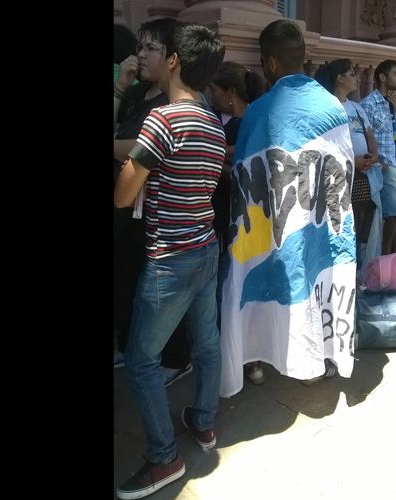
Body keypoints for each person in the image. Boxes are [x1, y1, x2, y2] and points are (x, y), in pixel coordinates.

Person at [114, 21, 226, 500]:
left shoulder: (162, 120)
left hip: (170, 258)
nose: (149, 57)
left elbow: (123, 196)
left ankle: (164, 458)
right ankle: (204, 423)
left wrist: (130, 166)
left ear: (175, 60)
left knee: (140, 360)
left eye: (158, 51)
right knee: (207, 344)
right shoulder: (212, 123)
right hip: (205, 247)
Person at [219, 19, 357, 398]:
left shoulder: (260, 112)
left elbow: (245, 183)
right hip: (319, 222)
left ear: (271, 63)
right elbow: (343, 170)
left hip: (272, 223)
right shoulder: (333, 106)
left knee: (266, 285)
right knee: (312, 283)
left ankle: (257, 358)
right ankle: (311, 363)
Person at [113, 18, 193, 387]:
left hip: (156, 213)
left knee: (159, 294)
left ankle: (174, 358)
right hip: (126, 208)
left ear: (172, 58)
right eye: (139, 47)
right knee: (125, 279)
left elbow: (145, 148)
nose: (141, 55)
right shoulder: (135, 95)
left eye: (151, 48)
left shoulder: (173, 102)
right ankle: (128, 345)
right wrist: (119, 88)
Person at [208, 61, 267, 385]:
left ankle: (245, 356)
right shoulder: (224, 120)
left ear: (230, 92)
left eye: (214, 90)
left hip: (242, 219)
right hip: (230, 218)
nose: (210, 95)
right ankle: (241, 355)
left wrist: (214, 158)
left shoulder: (250, 123)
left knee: (235, 287)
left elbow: (247, 170)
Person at [314, 58, 381, 272]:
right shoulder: (327, 107)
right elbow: (326, 145)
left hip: (364, 175)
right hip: (341, 176)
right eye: (352, 74)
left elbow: (369, 134)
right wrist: (353, 161)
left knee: (363, 222)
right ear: (339, 78)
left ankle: (360, 269)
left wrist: (373, 156)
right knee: (343, 223)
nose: (357, 78)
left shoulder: (356, 108)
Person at [360, 60, 396, 255]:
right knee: (395, 213)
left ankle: (394, 260)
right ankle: (384, 258)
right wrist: (377, 160)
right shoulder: (368, 104)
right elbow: (363, 137)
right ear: (382, 77)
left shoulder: (395, 102)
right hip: (385, 166)